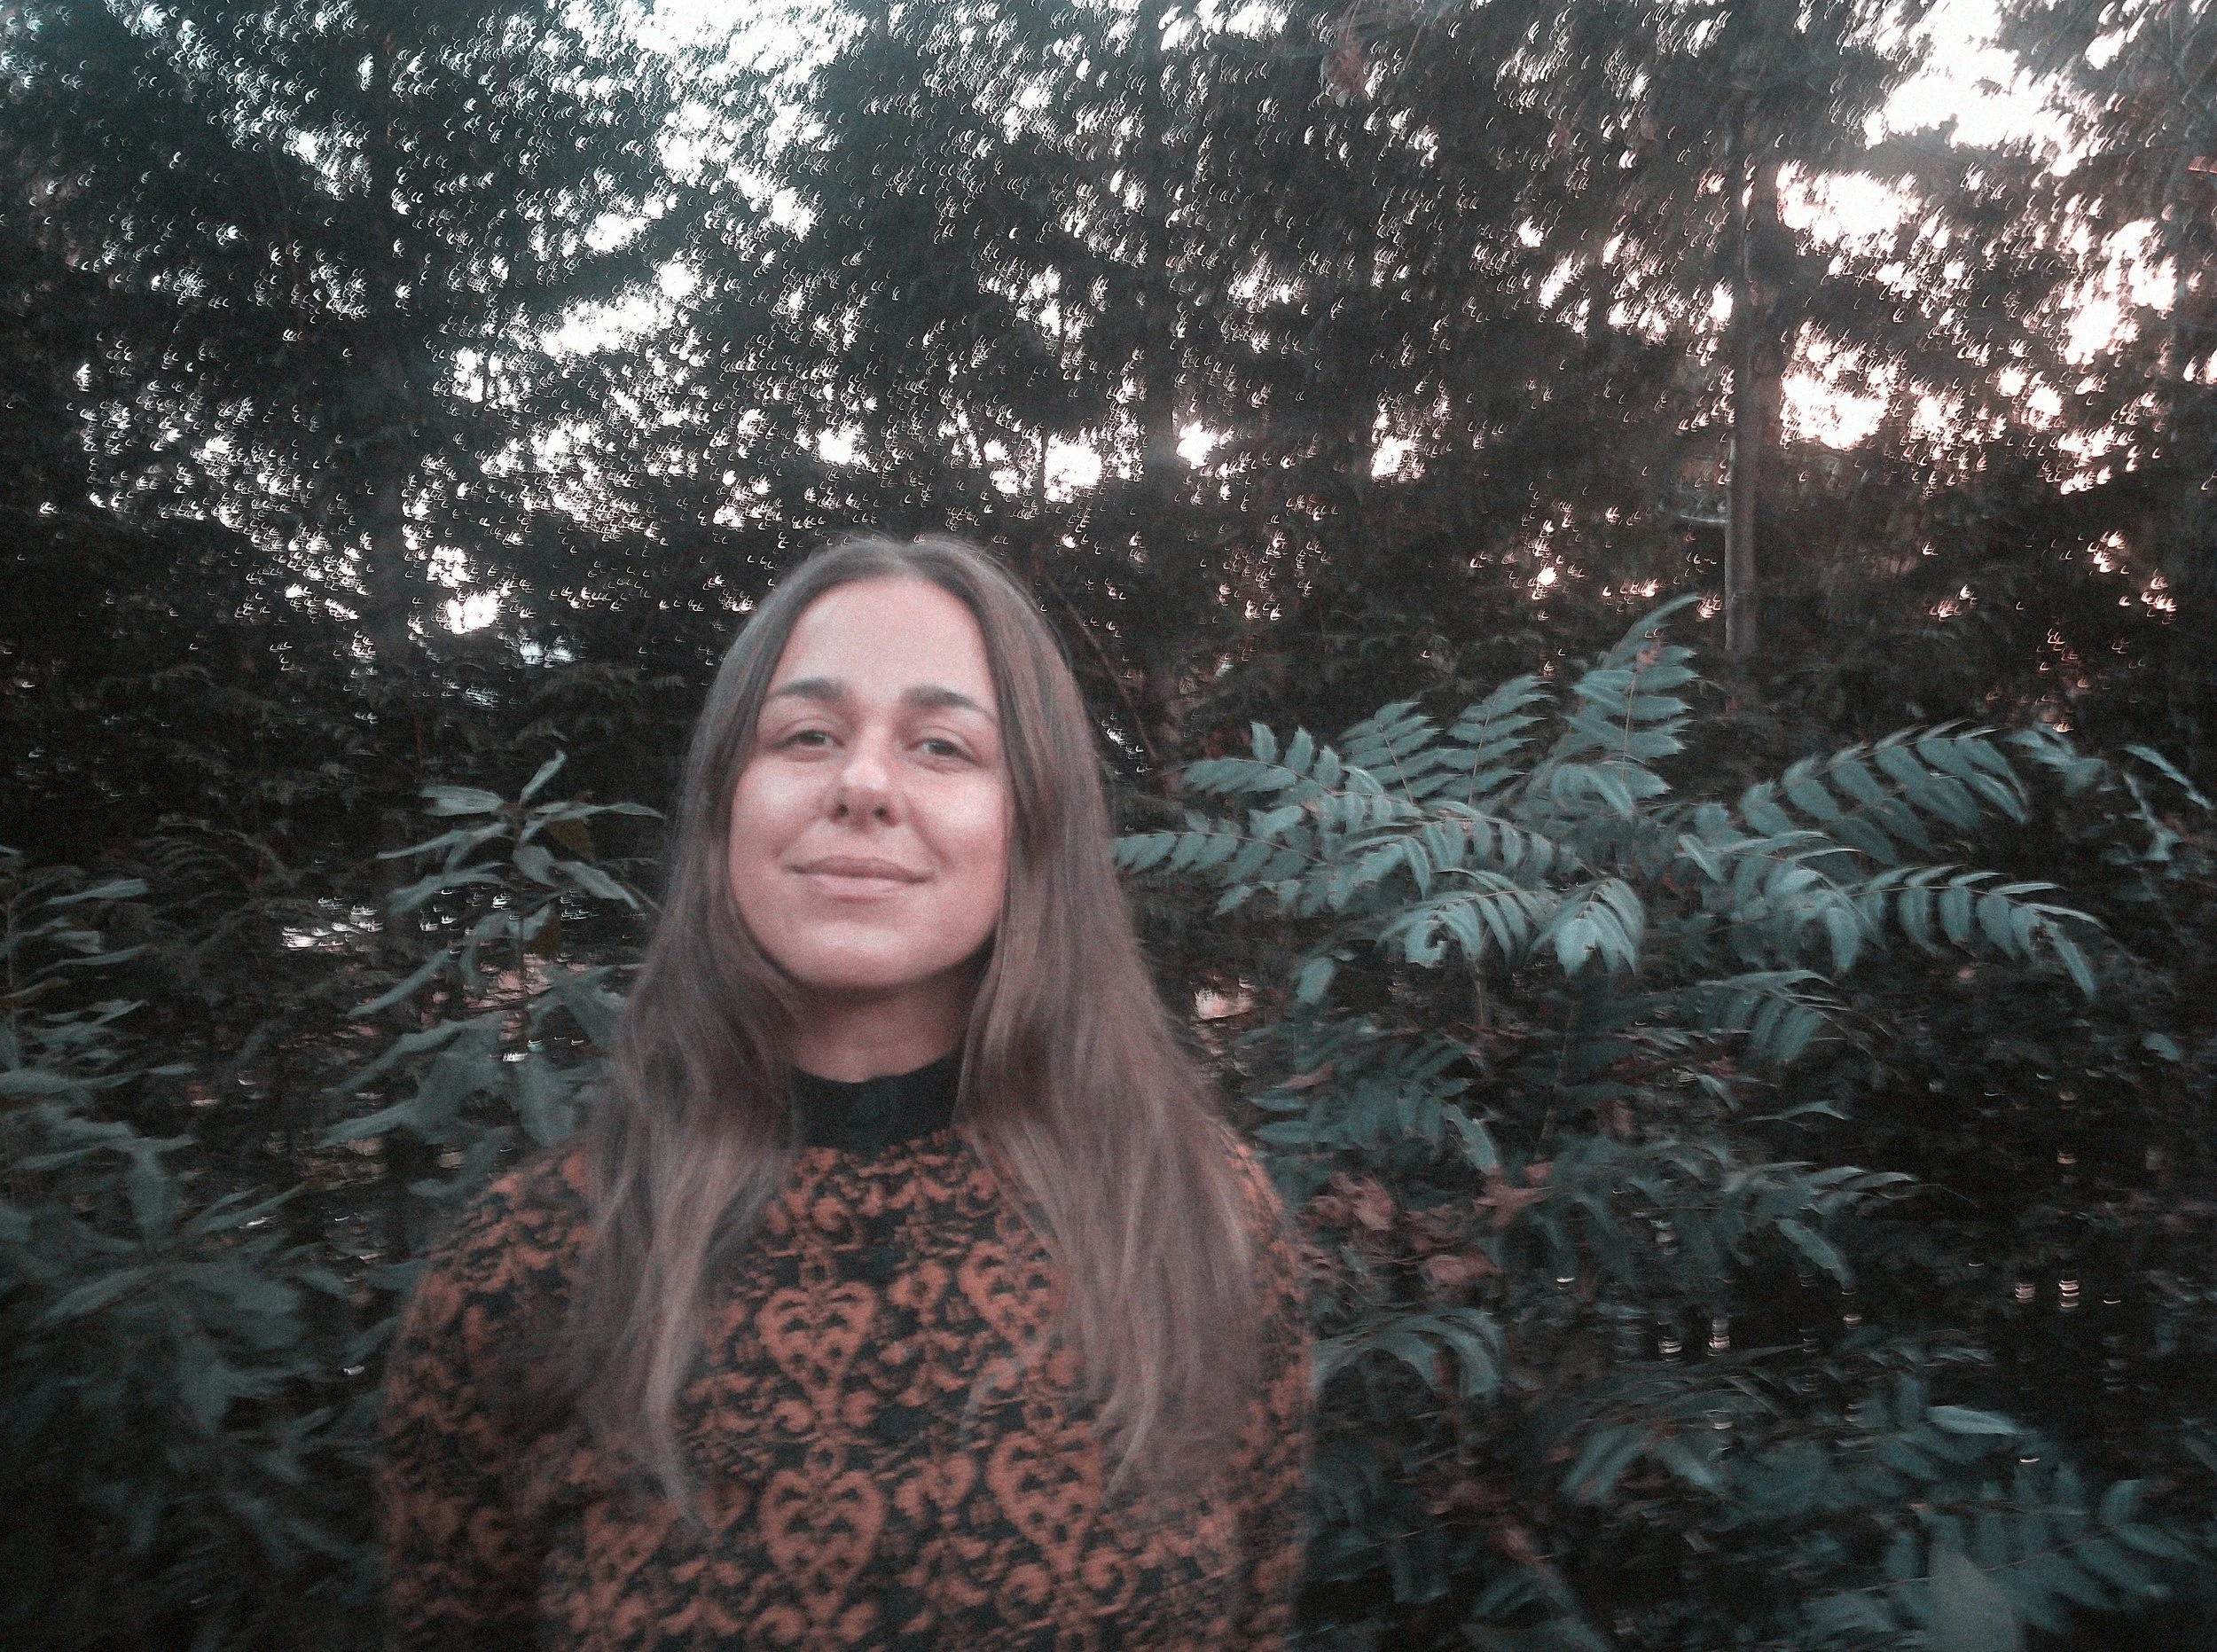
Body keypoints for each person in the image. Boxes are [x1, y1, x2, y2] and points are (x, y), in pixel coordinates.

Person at [376, 534, 1312, 1650]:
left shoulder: (1196, 1223)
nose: (862, 784)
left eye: (941, 745)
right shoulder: (525, 1271)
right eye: (807, 736)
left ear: (1034, 821)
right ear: (726, 803)